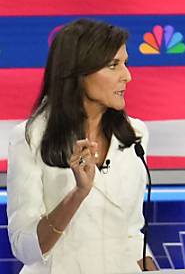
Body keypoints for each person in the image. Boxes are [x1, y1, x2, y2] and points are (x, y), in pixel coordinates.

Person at [6, 18, 157, 273]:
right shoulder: (30, 138)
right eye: (114, 65)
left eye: (125, 63)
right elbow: (25, 248)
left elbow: (131, 235)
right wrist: (78, 194)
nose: (127, 76)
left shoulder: (135, 135)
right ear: (79, 72)